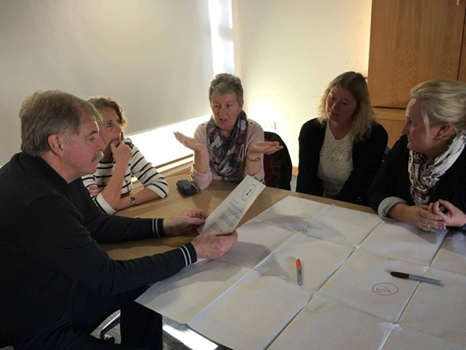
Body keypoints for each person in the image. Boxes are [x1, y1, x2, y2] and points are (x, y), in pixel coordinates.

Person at [0, 90, 238, 349]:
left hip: (62, 293)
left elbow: (97, 223)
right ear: (57, 144)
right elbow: (108, 278)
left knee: (146, 287)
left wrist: (165, 226)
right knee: (132, 279)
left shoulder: (52, 171)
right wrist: (194, 251)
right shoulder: (40, 203)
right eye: (92, 137)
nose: (101, 144)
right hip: (38, 325)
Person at [368, 79, 466, 231]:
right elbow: (376, 191)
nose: (403, 130)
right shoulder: (405, 146)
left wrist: (463, 220)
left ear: (443, 130)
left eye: (412, 123)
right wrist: (404, 212)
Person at [174, 73, 283, 190]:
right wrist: (200, 151)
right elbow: (200, 185)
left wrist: (252, 153)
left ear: (240, 105)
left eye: (229, 105)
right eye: (216, 106)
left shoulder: (253, 130)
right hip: (213, 197)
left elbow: (254, 186)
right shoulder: (202, 131)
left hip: (243, 197)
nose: (221, 112)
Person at [296, 71, 388, 204]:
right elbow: (306, 176)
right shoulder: (311, 129)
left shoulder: (374, 134)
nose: (334, 107)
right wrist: (308, 205)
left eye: (344, 103)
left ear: (358, 107)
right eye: (332, 98)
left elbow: (359, 182)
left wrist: (332, 208)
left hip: (355, 203)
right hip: (319, 200)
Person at [82, 96, 168, 214]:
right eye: (109, 124)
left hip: (127, 216)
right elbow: (97, 210)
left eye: (117, 121)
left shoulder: (126, 147)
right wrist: (122, 163)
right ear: (93, 130)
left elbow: (160, 185)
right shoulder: (83, 159)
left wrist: (118, 202)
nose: (119, 129)